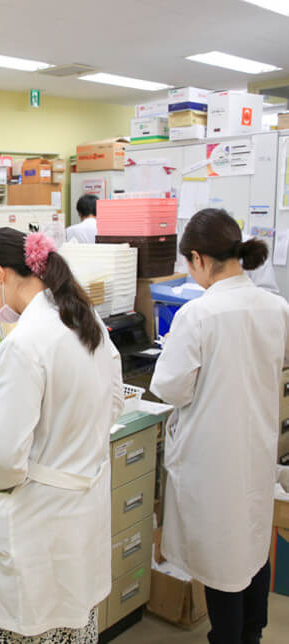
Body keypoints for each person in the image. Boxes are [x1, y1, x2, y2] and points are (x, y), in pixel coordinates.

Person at [0, 228, 124, 643]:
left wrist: (7, 482)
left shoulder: (25, 341)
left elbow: (4, 459)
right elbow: (114, 403)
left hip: (39, 520)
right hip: (82, 506)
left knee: (28, 627)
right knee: (72, 624)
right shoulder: (84, 320)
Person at [150, 208, 289, 644]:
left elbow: (169, 388)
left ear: (199, 258)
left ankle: (227, 638)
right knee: (252, 546)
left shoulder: (198, 314)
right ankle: (252, 633)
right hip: (255, 451)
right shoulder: (276, 307)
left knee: (222, 563)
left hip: (213, 461)